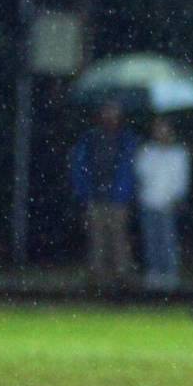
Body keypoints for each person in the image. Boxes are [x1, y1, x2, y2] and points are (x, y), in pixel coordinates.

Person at [70, 100, 139, 293]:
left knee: (119, 238)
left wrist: (125, 192)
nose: (110, 116)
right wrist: (84, 192)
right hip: (95, 195)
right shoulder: (90, 139)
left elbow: (130, 169)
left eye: (114, 112)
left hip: (118, 197)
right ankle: (98, 278)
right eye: (107, 112)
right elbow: (80, 166)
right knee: (97, 238)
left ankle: (122, 278)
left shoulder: (126, 139)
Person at [134, 116, 191, 292]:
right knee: (151, 239)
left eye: (164, 129)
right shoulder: (147, 151)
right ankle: (154, 274)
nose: (161, 133)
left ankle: (170, 275)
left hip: (168, 203)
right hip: (149, 201)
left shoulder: (179, 153)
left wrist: (177, 198)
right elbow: (140, 174)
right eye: (158, 129)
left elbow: (182, 179)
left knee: (168, 240)